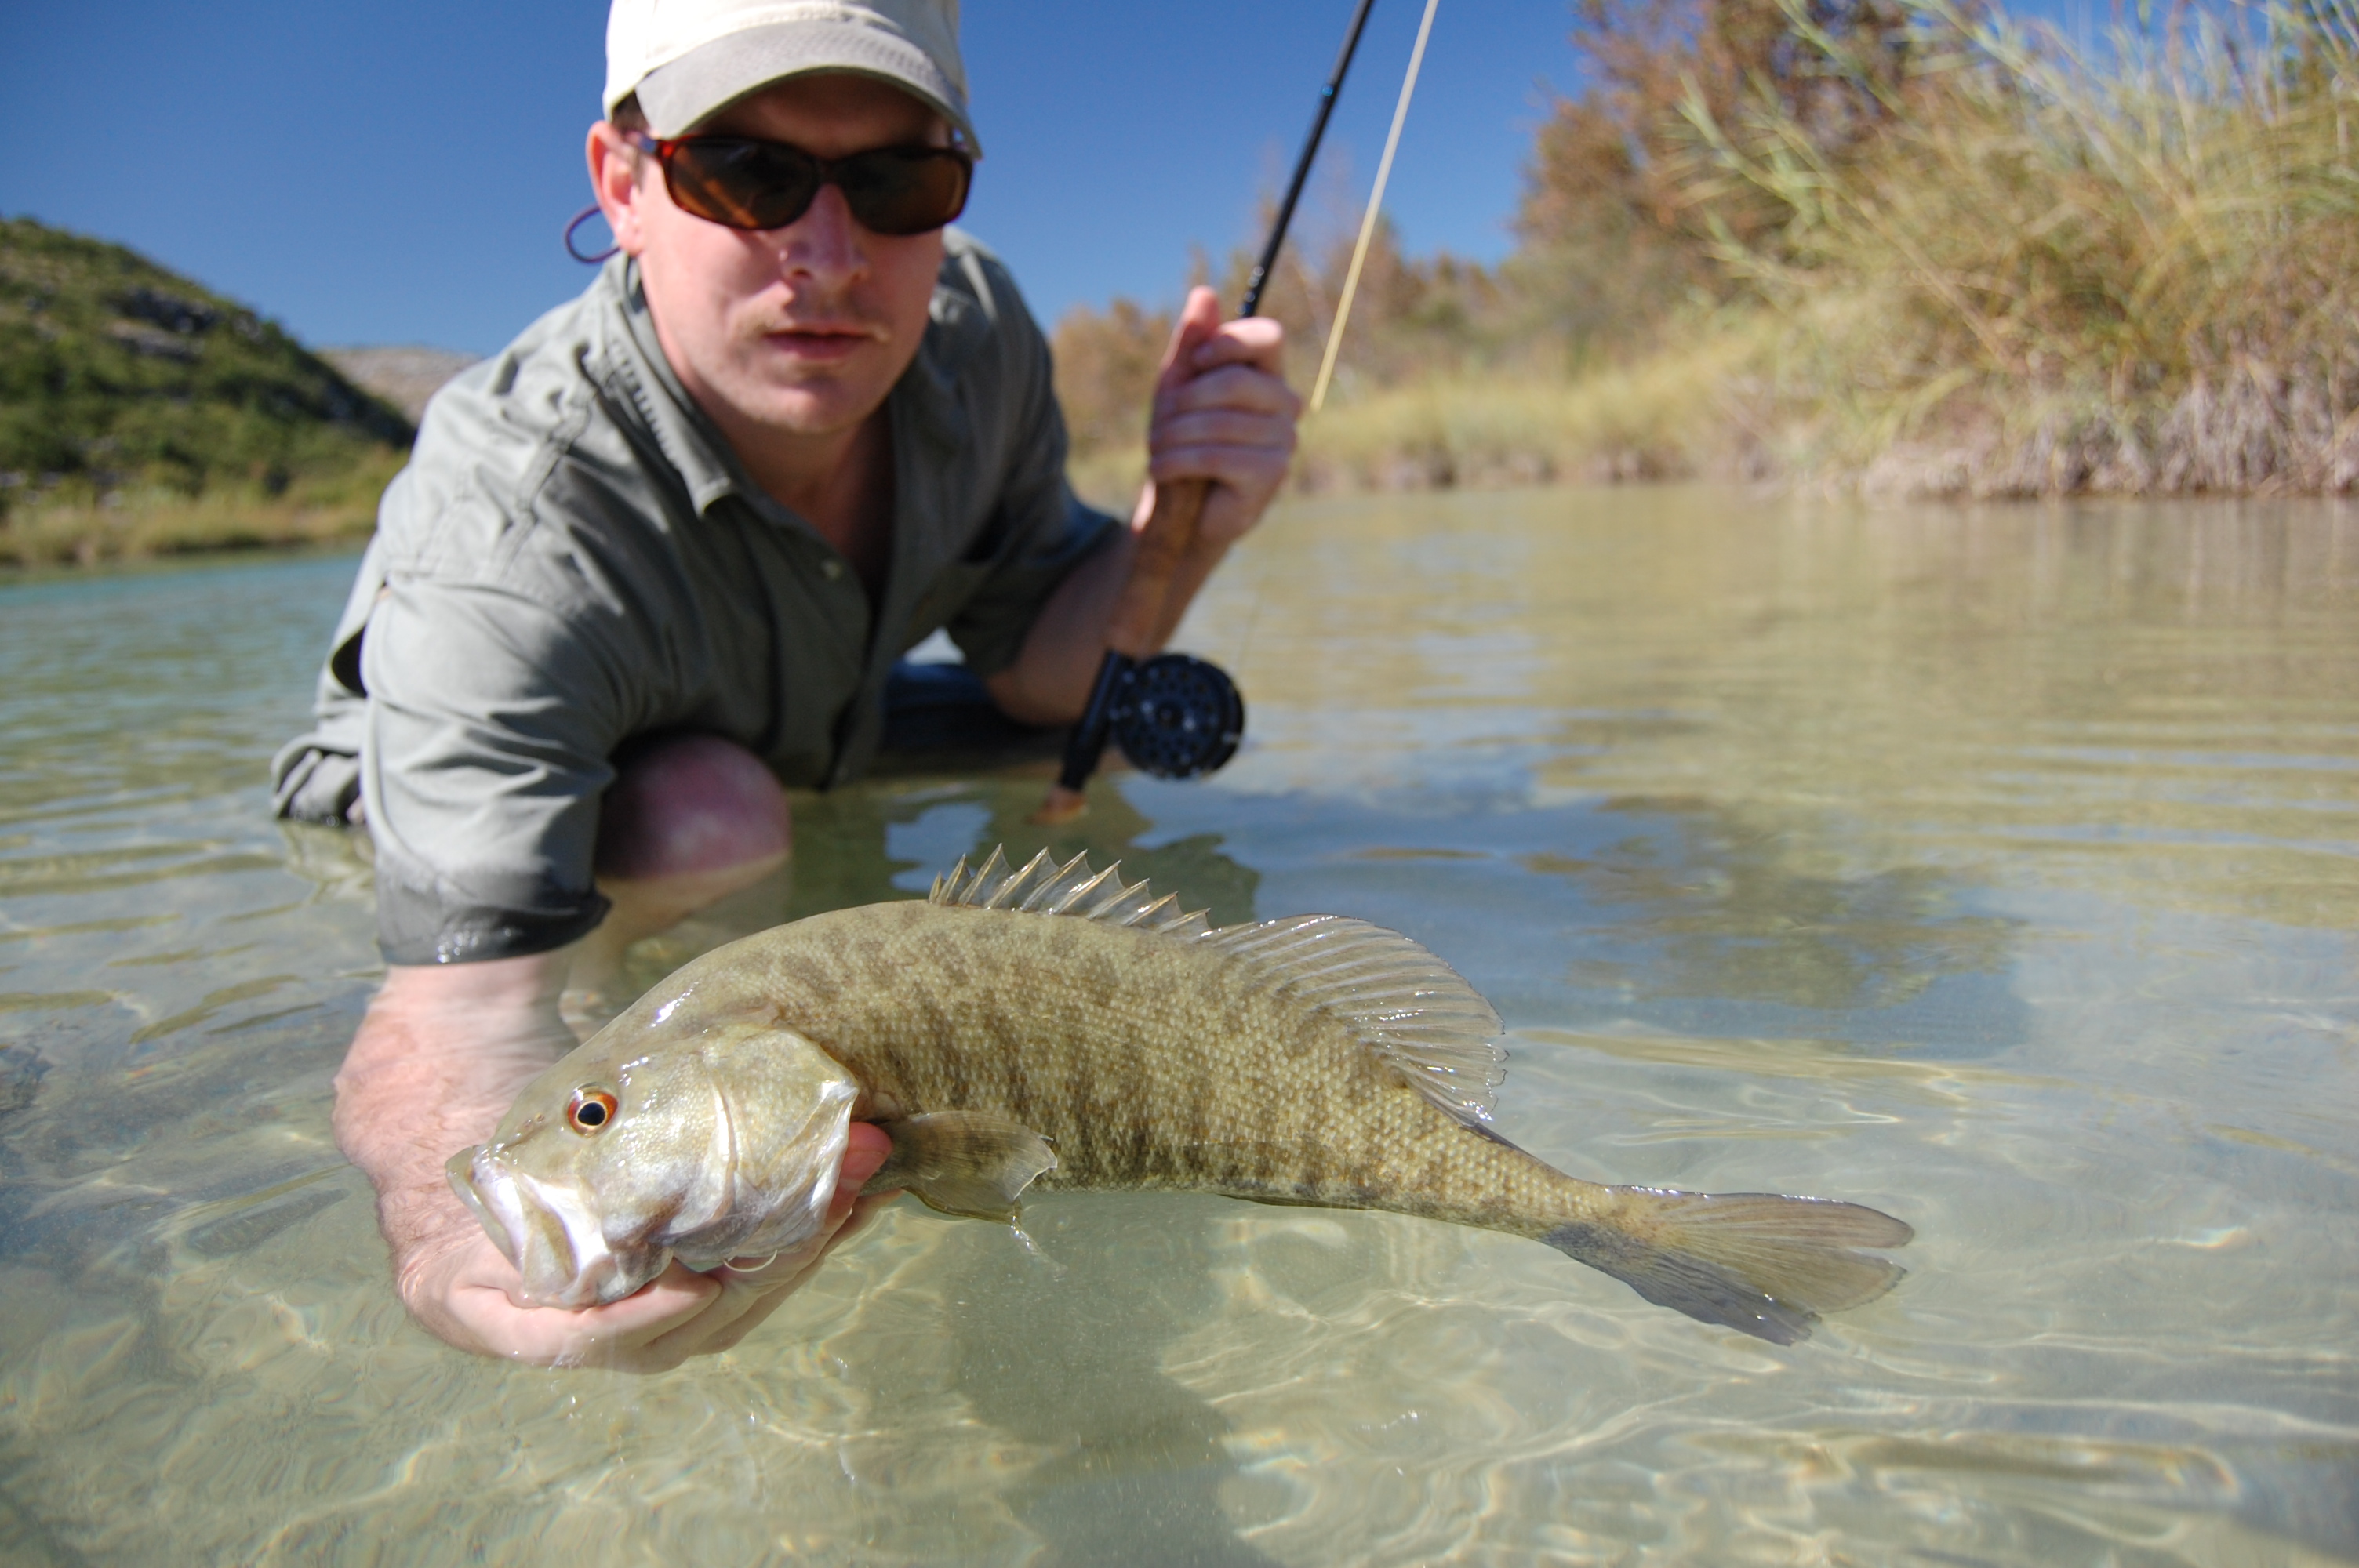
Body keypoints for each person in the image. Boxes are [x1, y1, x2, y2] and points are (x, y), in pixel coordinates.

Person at [274, 0, 1299, 1369]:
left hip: (829, 721)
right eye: (746, 173)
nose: (828, 255)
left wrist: (1184, 520)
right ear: (624, 184)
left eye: (897, 182)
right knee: (712, 816)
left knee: (1102, 745)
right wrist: (453, 1241)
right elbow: (455, 1012)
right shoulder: (506, 539)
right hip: (504, 806)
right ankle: (642, 1051)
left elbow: (1046, 674)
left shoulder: (975, 332)